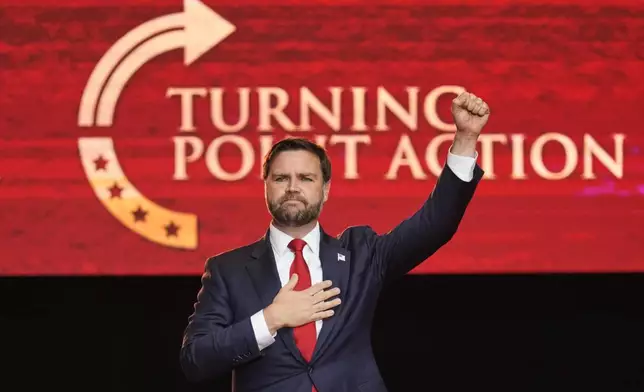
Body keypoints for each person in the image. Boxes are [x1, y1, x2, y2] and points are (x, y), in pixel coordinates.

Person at [180, 91, 490, 391]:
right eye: (280, 178)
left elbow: (435, 224)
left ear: (325, 189)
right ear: (265, 186)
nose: (292, 187)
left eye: (306, 178)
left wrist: (464, 140)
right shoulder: (227, 270)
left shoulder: (361, 254)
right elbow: (196, 360)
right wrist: (269, 320)